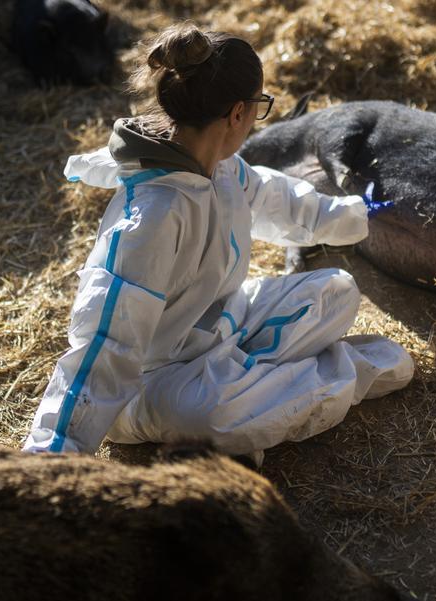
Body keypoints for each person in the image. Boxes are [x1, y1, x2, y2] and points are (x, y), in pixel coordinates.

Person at [22, 22, 414, 465]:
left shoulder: (218, 168)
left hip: (220, 327)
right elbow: (105, 345)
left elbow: (274, 199)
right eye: (259, 107)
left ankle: (260, 381)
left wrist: (354, 216)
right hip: (153, 381)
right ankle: (341, 375)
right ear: (237, 114)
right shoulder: (150, 217)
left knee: (337, 290)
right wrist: (51, 458)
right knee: (220, 416)